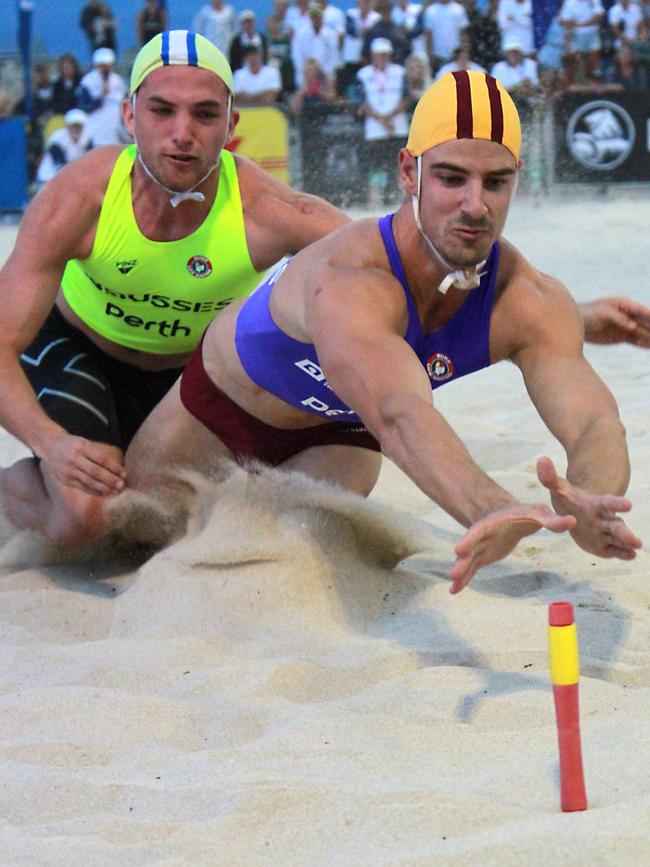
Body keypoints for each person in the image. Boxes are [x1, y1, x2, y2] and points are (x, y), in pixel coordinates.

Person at [123, 70, 643, 589]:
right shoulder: (353, 275)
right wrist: (490, 507)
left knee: (286, 561)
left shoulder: (529, 299)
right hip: (222, 403)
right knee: (114, 529)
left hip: (338, 433)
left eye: (496, 182)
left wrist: (593, 496)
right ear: (408, 172)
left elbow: (595, 422)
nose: (475, 204)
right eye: (451, 178)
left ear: (517, 179)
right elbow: (400, 412)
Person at [0, 31, 348, 547]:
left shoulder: (270, 211)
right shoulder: (80, 198)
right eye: (162, 110)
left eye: (205, 115)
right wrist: (51, 444)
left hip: (189, 376)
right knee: (89, 521)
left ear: (231, 126)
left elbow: (386, 261)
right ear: (128, 115)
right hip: (76, 351)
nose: (182, 133)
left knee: (166, 526)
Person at [76, 47, 127, 146]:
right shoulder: (88, 82)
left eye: (107, 66)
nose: (105, 69)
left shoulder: (118, 81)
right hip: (94, 129)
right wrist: (101, 97)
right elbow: (84, 107)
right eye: (102, 66)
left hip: (114, 129)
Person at [35, 109, 92, 186]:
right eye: (73, 126)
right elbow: (60, 165)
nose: (76, 129)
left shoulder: (86, 138)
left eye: (79, 126)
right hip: (47, 180)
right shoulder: (58, 138)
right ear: (68, 126)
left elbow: (91, 160)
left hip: (67, 180)